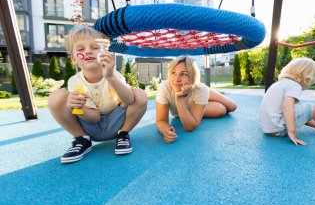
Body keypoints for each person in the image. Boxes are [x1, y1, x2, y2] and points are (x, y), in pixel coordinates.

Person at [48, 25, 148, 163]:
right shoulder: (75, 82)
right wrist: (79, 108)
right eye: (81, 49)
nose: (88, 52)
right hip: (89, 128)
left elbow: (130, 100)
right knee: (57, 97)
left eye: (94, 48)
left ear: (106, 54)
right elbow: (93, 118)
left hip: (116, 124)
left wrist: (111, 77)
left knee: (139, 94)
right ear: (74, 59)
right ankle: (81, 139)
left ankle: (123, 134)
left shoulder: (114, 75)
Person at [156, 55, 237, 143]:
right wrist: (166, 131)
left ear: (192, 76)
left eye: (183, 74)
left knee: (232, 107)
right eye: (173, 72)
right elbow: (161, 120)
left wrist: (179, 97)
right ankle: (200, 104)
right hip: (190, 105)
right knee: (221, 110)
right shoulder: (164, 87)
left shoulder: (201, 90)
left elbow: (190, 127)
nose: (176, 79)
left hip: (196, 91)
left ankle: (206, 96)